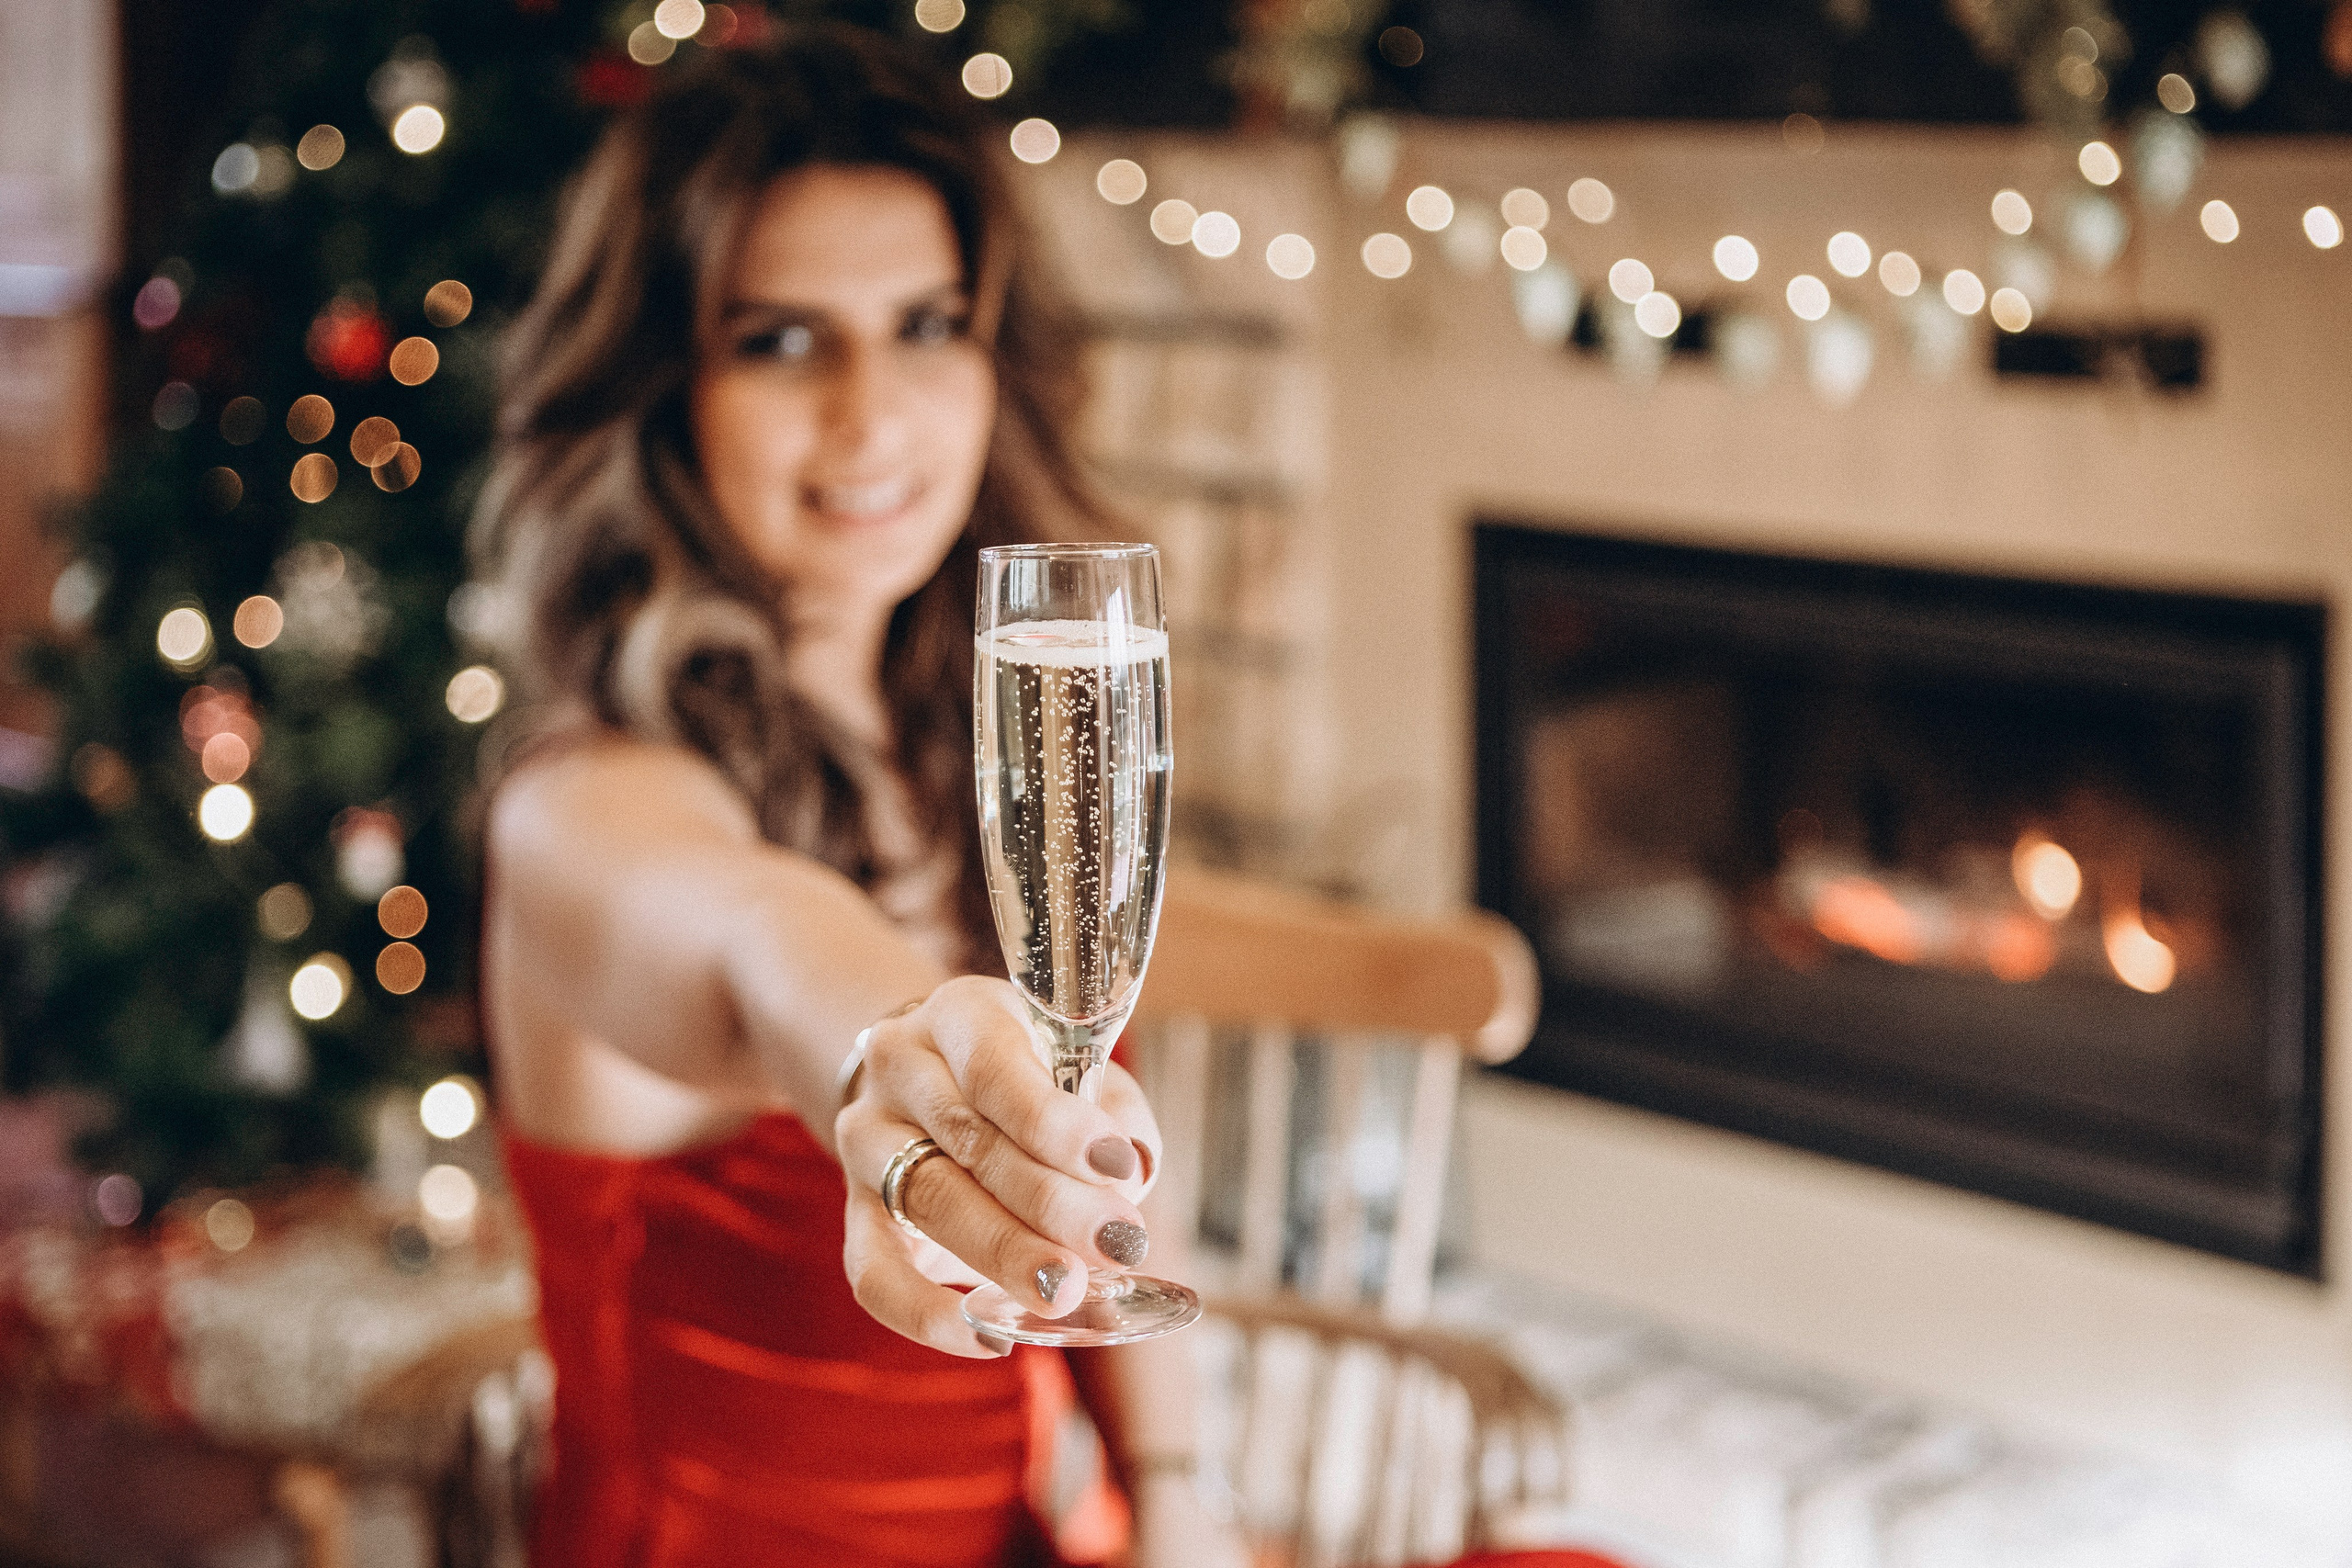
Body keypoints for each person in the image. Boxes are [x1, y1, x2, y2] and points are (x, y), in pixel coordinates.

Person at [469, 25, 1232, 1567]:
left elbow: (1109, 1189)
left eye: (928, 324)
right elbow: (761, 942)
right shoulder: (584, 809)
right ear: (660, 390)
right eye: (780, 341)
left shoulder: (977, 763)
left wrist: (1180, 1500)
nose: (873, 413)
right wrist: (901, 1051)